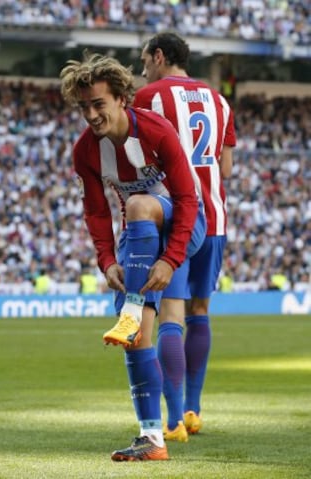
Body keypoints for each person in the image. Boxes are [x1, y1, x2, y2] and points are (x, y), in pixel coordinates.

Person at [60, 52, 206, 461]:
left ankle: (133, 308)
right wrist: (107, 262)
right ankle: (152, 439)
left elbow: (187, 200)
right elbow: (95, 211)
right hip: (139, 239)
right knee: (137, 336)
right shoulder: (85, 151)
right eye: (84, 106)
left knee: (140, 203)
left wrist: (172, 259)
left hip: (183, 224)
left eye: (98, 104)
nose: (90, 114)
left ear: (122, 98)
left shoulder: (157, 132)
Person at [134, 32, 236, 441]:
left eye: (144, 61)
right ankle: (195, 410)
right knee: (201, 312)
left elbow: (138, 163)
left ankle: (173, 420)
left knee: (171, 317)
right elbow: (225, 169)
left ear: (159, 56)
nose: (142, 70)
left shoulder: (149, 97)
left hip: (175, 216)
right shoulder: (221, 101)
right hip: (214, 218)